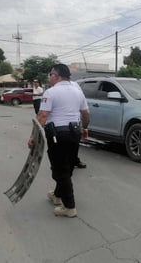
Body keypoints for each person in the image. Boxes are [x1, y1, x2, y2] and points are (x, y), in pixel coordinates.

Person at [28, 64, 89, 218]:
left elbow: (42, 116)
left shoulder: (51, 92)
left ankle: (69, 207)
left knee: (60, 171)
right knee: (67, 167)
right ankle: (57, 195)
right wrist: (85, 128)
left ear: (55, 75)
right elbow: (86, 113)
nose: (49, 78)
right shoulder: (78, 91)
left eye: (50, 74)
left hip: (58, 136)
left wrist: (33, 137)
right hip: (75, 133)